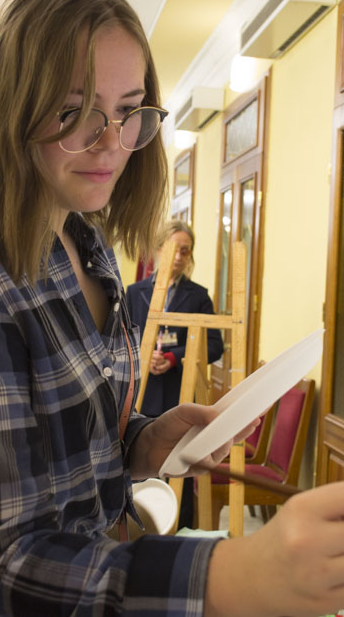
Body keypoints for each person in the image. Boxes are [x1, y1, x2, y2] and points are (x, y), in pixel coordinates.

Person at [0, 0, 344, 617]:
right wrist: (237, 574)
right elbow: (5, 563)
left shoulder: (83, 242)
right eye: (73, 113)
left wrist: (141, 441)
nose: (112, 143)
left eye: (128, 112)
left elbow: (60, 438)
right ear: (6, 109)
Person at [126, 220, 224, 530]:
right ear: (157, 249)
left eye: (186, 251)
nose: (179, 257)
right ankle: (142, 530)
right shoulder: (134, 293)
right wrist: (144, 357)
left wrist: (173, 357)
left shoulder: (198, 296)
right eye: (173, 249)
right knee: (143, 466)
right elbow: (119, 338)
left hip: (180, 392)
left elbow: (215, 345)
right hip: (142, 394)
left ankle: (180, 530)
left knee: (181, 466)